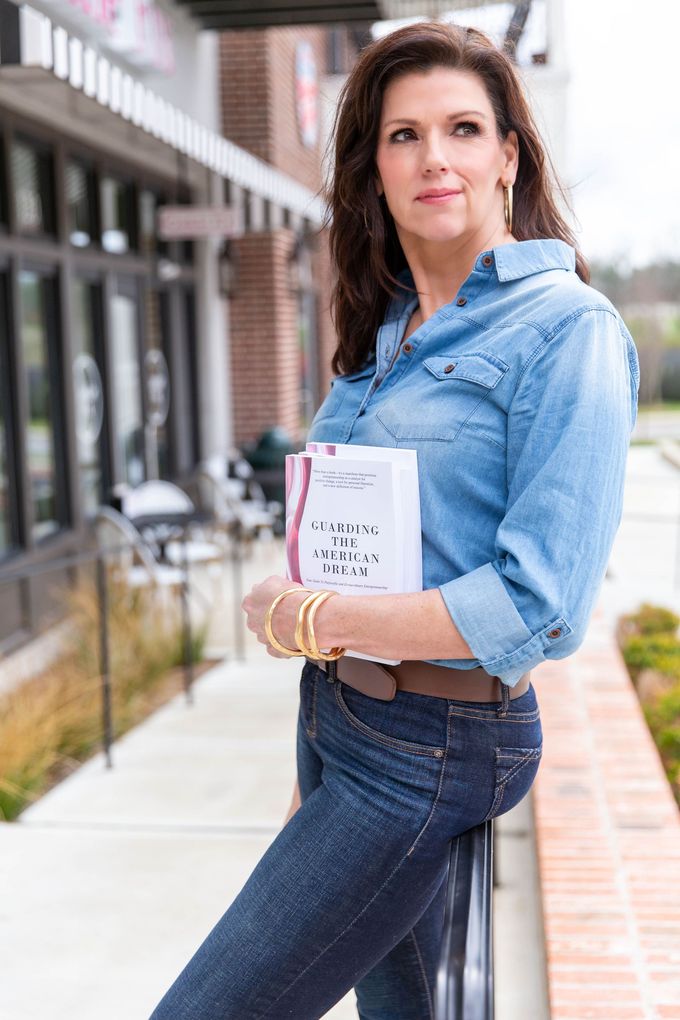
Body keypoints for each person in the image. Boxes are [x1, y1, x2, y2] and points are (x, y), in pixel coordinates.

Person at [149, 21, 640, 1020]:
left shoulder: (565, 331)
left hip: (434, 737)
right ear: (371, 168)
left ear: (507, 154)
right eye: (401, 135)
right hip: (340, 715)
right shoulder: (381, 331)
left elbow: (536, 604)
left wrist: (309, 616)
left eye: (462, 127)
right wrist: (319, 702)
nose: (433, 158)